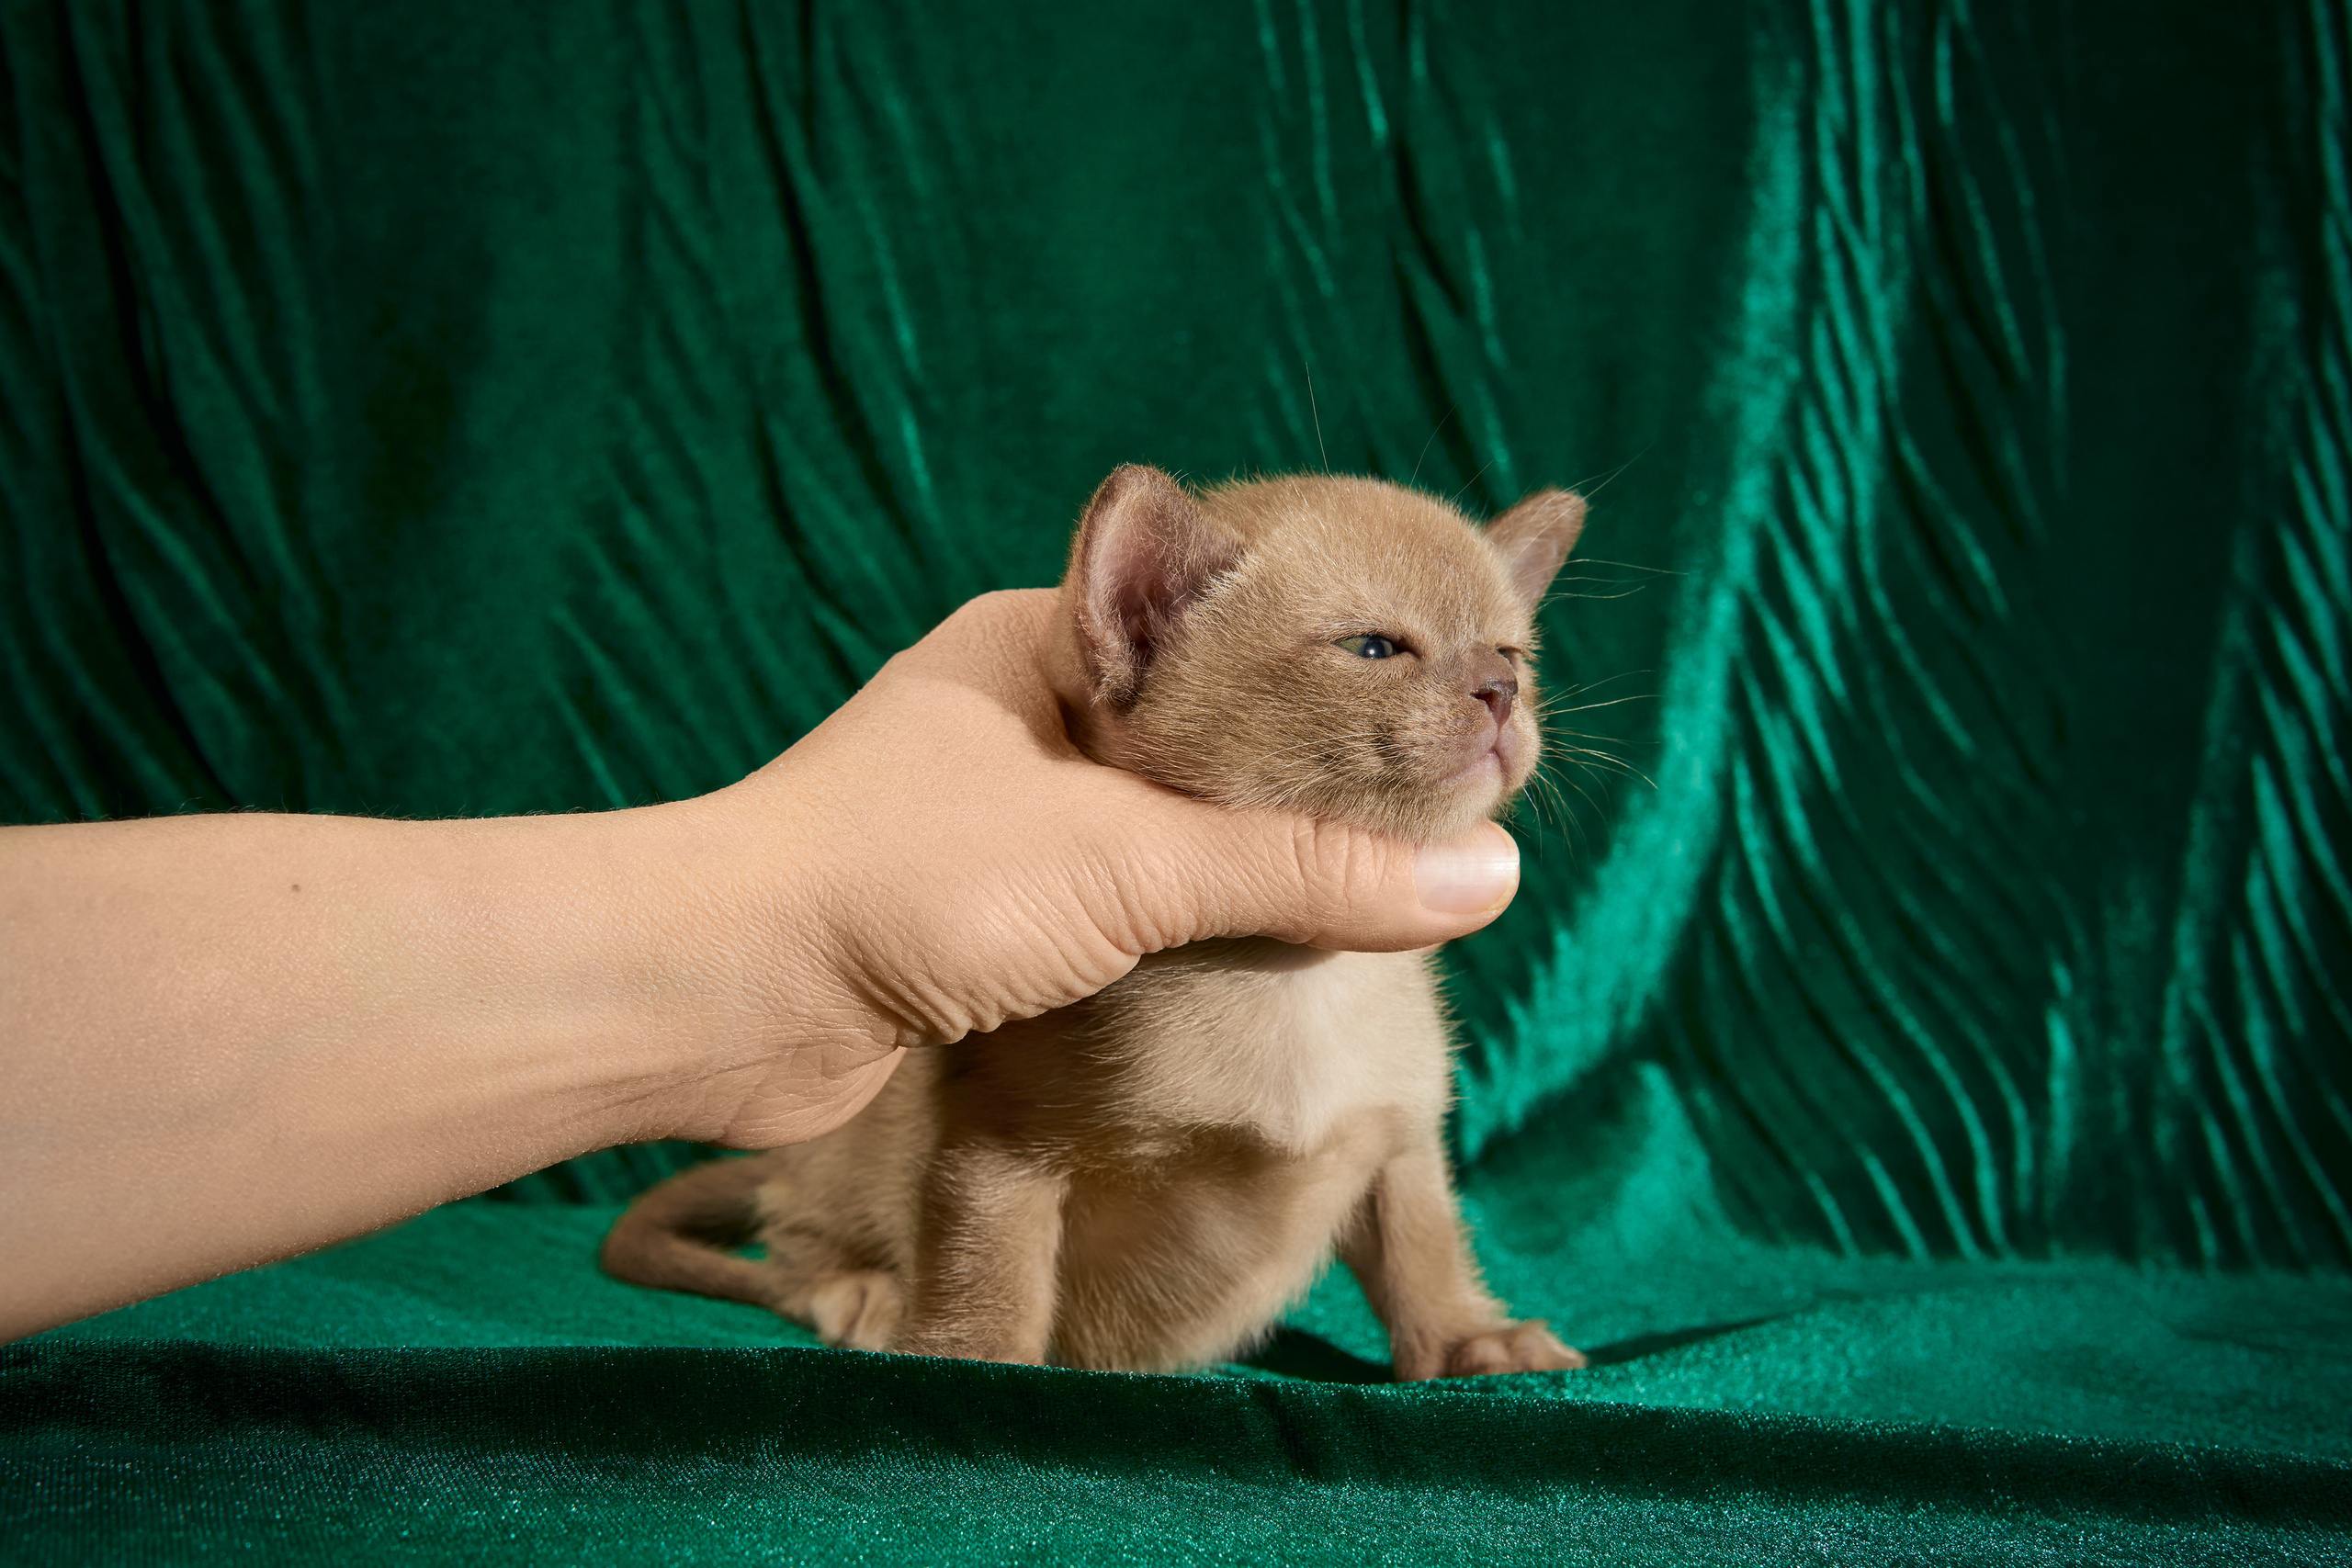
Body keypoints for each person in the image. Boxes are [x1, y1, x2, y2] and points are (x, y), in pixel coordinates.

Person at [0, 589, 1521, 1342]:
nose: (1497, 686)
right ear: (1146, 623)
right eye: (1380, 644)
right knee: (918, 1153)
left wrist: (1450, 1328)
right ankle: (823, 1236)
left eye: (1510, 655)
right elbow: (999, 1151)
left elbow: (1396, 1150)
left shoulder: (1398, 1007)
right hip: (906, 1203)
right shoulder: (1079, 953)